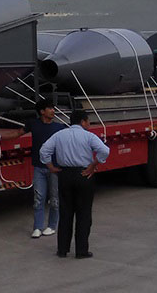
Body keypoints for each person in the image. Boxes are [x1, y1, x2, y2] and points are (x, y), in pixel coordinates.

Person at [39, 112, 109, 259]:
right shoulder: (88, 136)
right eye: (88, 121)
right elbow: (104, 150)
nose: (89, 124)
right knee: (84, 214)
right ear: (83, 122)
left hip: (64, 174)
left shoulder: (59, 135)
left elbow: (44, 150)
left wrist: (51, 167)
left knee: (65, 213)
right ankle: (81, 251)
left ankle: (62, 250)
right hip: (83, 174)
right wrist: (93, 165)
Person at [27, 98, 68, 238]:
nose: (53, 111)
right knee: (38, 198)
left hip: (55, 168)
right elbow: (18, 133)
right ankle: (37, 227)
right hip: (39, 167)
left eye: (53, 108)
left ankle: (51, 226)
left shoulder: (59, 127)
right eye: (50, 108)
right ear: (42, 111)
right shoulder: (34, 124)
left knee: (55, 199)